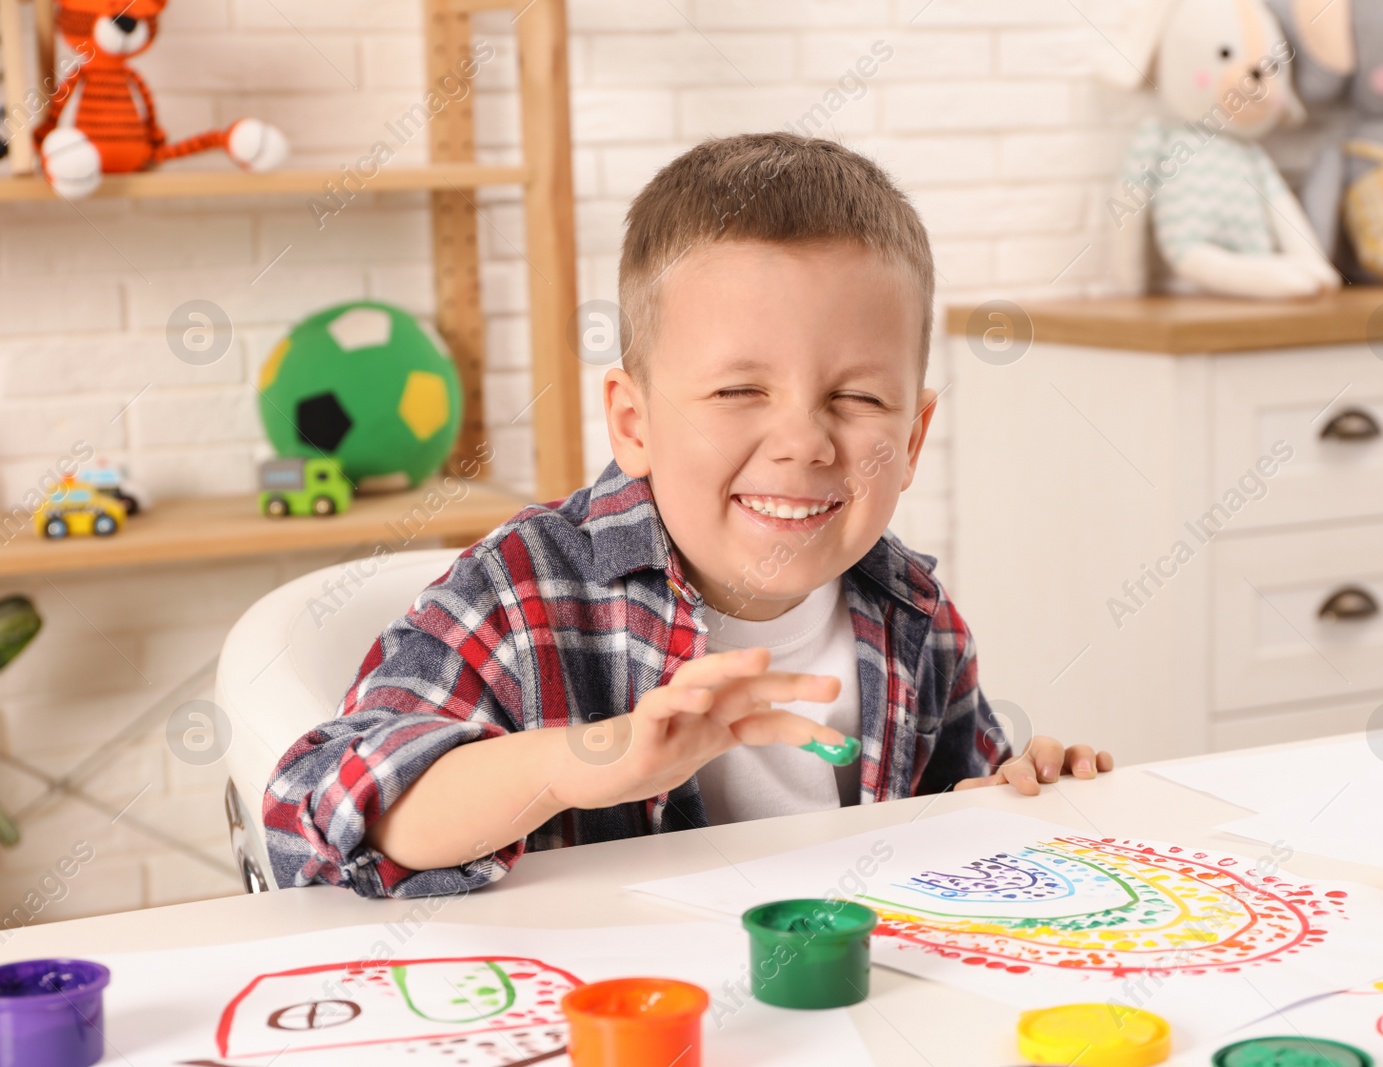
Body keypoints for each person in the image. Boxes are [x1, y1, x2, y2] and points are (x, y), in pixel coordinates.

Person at [263, 132, 1113, 898]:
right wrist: (584, 762)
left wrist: (1012, 797)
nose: (804, 442)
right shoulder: (523, 596)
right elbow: (321, 804)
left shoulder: (920, 619)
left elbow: (947, 839)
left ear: (915, 434)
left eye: (856, 397)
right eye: (740, 391)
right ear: (634, 423)